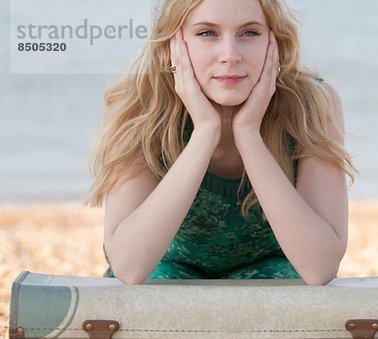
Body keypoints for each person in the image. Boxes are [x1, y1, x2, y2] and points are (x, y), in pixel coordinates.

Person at [86, 0, 356, 285]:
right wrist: (205, 131)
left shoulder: (312, 104)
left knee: (284, 289)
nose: (230, 55)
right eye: (207, 33)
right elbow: (129, 267)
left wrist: (249, 134)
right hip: (164, 268)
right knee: (156, 288)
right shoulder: (141, 106)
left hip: (272, 271)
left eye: (249, 33)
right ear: (173, 44)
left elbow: (320, 267)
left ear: (274, 40)